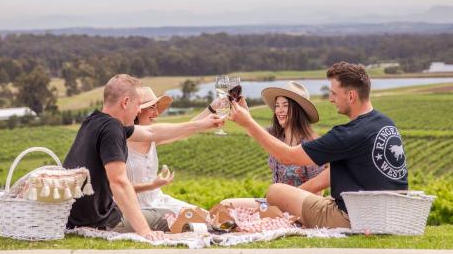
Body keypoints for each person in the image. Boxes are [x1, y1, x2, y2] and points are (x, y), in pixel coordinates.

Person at [230, 62, 408, 229]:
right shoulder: (385, 123)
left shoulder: (348, 133)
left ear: (351, 96)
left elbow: (288, 156)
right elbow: (331, 174)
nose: (330, 99)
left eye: (334, 93)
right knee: (272, 196)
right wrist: (292, 196)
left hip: (355, 217)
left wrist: (247, 123)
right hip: (389, 215)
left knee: (275, 191)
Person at [63, 74, 224, 241]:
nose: (139, 110)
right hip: (100, 221)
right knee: (179, 216)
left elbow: (151, 132)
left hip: (77, 217)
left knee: (185, 214)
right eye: (139, 104)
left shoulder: (92, 121)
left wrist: (201, 124)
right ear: (125, 102)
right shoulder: (112, 128)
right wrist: (145, 232)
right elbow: (119, 182)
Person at [220, 81, 325, 209]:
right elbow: (255, 133)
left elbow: (318, 193)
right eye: (277, 106)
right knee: (226, 205)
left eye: (285, 105)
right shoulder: (276, 135)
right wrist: (245, 114)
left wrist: (291, 205)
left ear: (298, 110)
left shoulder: (310, 144)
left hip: (298, 207)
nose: (279, 110)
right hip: (273, 204)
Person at [126, 86, 196, 215]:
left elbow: (187, 128)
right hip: (134, 208)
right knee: (186, 219)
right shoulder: (117, 142)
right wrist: (152, 184)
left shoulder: (153, 139)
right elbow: (115, 188)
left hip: (158, 201)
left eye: (156, 107)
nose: (157, 113)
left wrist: (212, 109)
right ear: (137, 111)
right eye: (152, 107)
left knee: (201, 214)